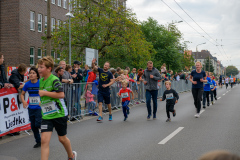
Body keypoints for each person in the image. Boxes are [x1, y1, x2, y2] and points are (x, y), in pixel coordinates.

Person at [37, 56, 77, 160]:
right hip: (46, 115)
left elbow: (61, 95)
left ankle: (71, 156)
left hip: (59, 113)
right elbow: (45, 96)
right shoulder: (41, 81)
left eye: (41, 67)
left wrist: (44, 93)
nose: (39, 69)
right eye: (38, 67)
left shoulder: (54, 80)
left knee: (62, 139)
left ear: (49, 68)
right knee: (44, 140)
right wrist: (41, 101)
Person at [20, 66, 42, 148]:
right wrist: (24, 101)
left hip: (39, 108)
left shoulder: (40, 83)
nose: (31, 75)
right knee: (33, 126)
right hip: (31, 108)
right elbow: (22, 94)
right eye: (30, 73)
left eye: (33, 73)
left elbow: (46, 93)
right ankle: (38, 141)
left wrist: (41, 100)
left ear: (37, 75)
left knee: (38, 124)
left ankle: (46, 134)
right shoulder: (27, 84)